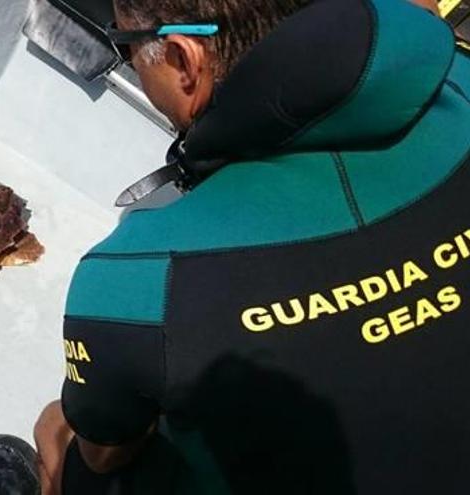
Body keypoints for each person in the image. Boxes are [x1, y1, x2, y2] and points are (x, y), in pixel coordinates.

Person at [35, 0, 470, 493]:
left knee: (58, 433)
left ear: (183, 61)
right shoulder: (460, 77)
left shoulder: (134, 278)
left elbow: (106, 452)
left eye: (127, 45)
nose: (130, 59)